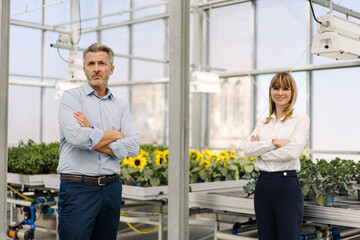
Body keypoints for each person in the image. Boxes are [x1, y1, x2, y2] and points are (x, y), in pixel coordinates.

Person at [57, 43, 140, 240]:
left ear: (111, 69)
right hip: (78, 189)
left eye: (102, 63)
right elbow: (76, 137)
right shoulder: (71, 98)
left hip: (111, 189)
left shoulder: (120, 105)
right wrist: (117, 134)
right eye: (91, 63)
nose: (96, 68)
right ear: (84, 69)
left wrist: (91, 132)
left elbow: (134, 146)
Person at [243, 72, 309, 240]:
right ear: (270, 91)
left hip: (286, 186)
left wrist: (262, 153)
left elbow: (293, 151)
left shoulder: (300, 119)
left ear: (292, 92)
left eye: (285, 88)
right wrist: (274, 142)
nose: (280, 93)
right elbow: (247, 150)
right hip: (263, 186)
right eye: (276, 88)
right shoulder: (263, 122)